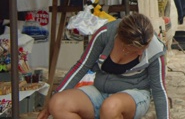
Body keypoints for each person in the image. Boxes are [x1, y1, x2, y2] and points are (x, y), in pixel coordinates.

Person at [37, 13, 168, 119]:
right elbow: (82, 66)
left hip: (134, 93)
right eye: (135, 49)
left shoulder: (155, 48)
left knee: (110, 107)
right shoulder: (105, 34)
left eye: (144, 48)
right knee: (57, 104)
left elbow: (159, 90)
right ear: (122, 41)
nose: (141, 52)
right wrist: (52, 100)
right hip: (100, 91)